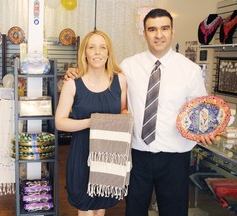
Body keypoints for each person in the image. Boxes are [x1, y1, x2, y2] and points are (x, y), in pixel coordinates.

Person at [65, 8, 216, 216]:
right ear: (144, 33)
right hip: (136, 154)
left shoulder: (190, 70)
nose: (158, 34)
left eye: (164, 28)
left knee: (174, 211)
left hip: (175, 156)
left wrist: (206, 130)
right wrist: (74, 73)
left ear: (172, 31)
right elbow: (98, 79)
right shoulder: (128, 67)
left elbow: (201, 112)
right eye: (152, 29)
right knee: (134, 210)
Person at [55, 30, 127, 216]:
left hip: (108, 153)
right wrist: (93, 122)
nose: (97, 52)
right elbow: (60, 122)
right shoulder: (73, 83)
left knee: (100, 205)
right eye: (92, 47)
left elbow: (123, 111)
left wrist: (125, 118)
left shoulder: (120, 80)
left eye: (103, 47)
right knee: (85, 208)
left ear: (109, 52)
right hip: (82, 153)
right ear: (84, 52)